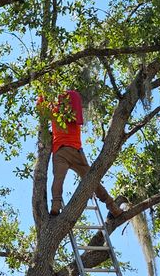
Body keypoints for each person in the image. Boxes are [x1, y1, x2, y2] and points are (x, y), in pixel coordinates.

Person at [39, 89, 123, 218]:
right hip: (75, 151)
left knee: (58, 179)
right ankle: (112, 206)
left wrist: (41, 93)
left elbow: (42, 108)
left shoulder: (55, 111)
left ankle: (55, 205)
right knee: (92, 180)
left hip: (59, 151)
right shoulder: (73, 113)